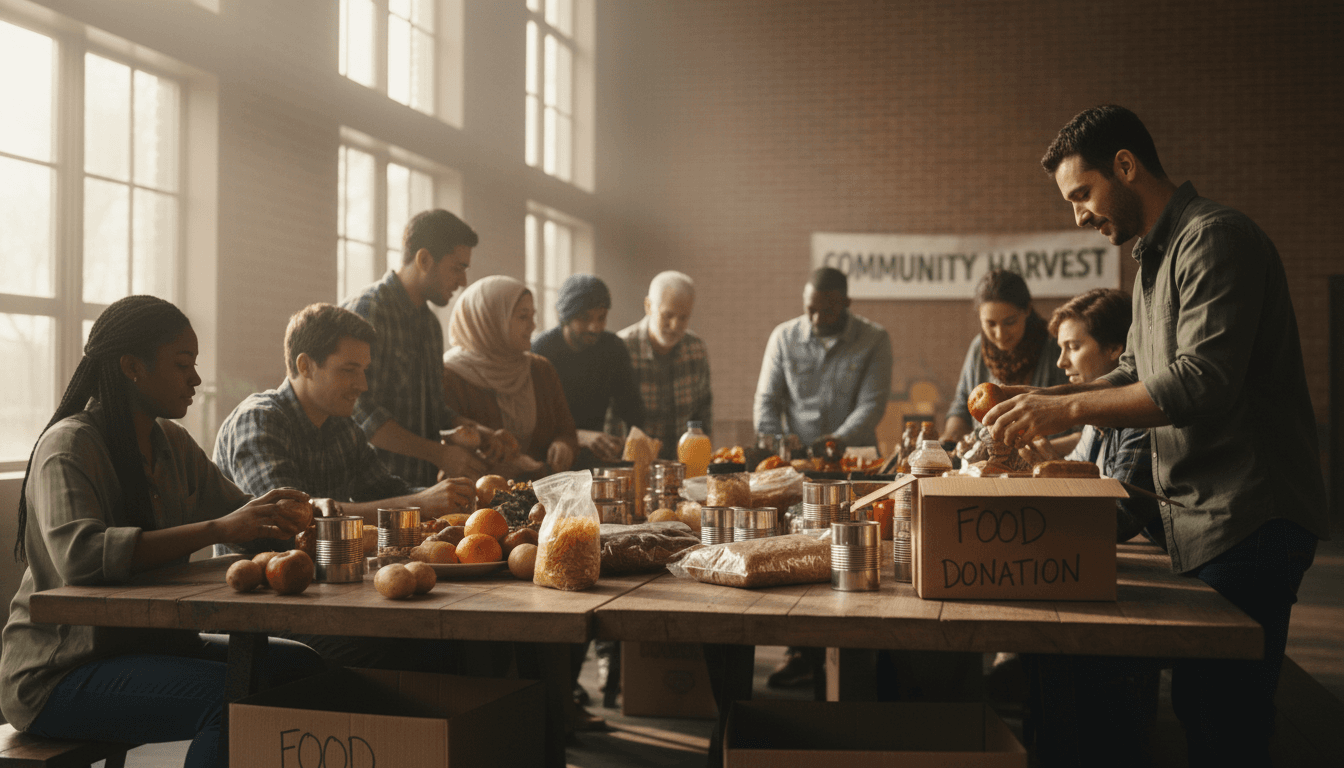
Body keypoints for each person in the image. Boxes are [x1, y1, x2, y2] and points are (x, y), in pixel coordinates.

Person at [986, 105, 1329, 767]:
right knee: (1204, 714)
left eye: (1082, 194)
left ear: (1125, 165)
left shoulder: (1213, 238)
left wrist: (1069, 414)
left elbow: (1202, 382)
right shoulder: (1153, 260)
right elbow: (1138, 370)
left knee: (1226, 726)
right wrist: (1042, 397)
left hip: (1249, 516)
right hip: (1205, 520)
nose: (1079, 215)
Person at [0, 296, 323, 768]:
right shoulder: (68, 446)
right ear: (132, 367)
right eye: (182, 364)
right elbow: (82, 558)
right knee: (230, 701)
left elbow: (244, 518)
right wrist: (218, 527)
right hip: (61, 671)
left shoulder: (169, 442)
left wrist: (286, 521)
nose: (195, 378)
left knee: (305, 669)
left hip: (149, 645)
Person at [214, 303, 475, 526]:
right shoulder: (258, 421)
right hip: (247, 580)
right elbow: (285, 517)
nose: (363, 385)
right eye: (349, 370)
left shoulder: (343, 427)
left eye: (364, 370)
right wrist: (418, 505)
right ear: (305, 366)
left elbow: (387, 490)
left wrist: (454, 496)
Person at [343, 209, 514, 486]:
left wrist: (480, 434)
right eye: (457, 268)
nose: (463, 282)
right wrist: (440, 455)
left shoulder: (430, 325)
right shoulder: (369, 310)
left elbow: (434, 410)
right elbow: (360, 412)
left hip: (419, 489)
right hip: (370, 491)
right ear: (424, 259)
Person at [1021, 287, 1163, 546]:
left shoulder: (1143, 418)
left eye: (1073, 347)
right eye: (1061, 349)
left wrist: (1057, 472)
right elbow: (1078, 468)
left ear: (1115, 349)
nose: (1061, 362)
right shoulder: (1092, 413)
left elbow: (1120, 520)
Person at [443, 276, 579, 477]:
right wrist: (509, 469)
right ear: (490, 320)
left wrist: (563, 445)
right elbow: (450, 450)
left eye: (532, 316)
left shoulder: (541, 370)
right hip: (477, 502)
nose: (533, 326)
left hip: (541, 496)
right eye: (523, 317)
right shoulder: (450, 375)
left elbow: (567, 430)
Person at [754, 266, 892, 449]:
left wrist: (837, 442)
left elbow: (871, 405)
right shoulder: (783, 338)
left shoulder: (874, 339)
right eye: (811, 310)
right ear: (804, 301)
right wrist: (777, 442)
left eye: (827, 311)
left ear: (846, 303)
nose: (817, 319)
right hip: (796, 457)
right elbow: (767, 400)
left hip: (853, 455)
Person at [940, 268, 1071, 446]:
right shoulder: (979, 347)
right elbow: (962, 406)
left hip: (1048, 458)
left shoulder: (1054, 347)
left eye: (1010, 322)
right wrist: (951, 438)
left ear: (1027, 310)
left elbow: (1075, 417)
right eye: (990, 324)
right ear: (979, 315)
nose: (1000, 334)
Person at [531, 274, 644, 466]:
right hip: (549, 458)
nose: (595, 327)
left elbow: (634, 411)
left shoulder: (613, 348)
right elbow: (532, 422)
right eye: (585, 318)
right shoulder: (540, 351)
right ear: (565, 317)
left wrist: (628, 443)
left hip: (593, 458)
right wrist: (579, 436)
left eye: (601, 318)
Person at [615, 270, 712, 460]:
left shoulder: (696, 349)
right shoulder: (622, 348)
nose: (675, 325)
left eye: (683, 318)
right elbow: (613, 421)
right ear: (649, 306)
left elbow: (703, 412)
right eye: (668, 315)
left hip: (683, 466)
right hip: (632, 466)